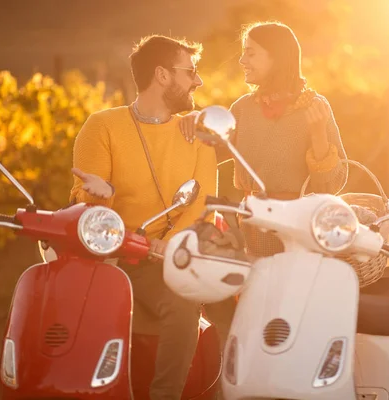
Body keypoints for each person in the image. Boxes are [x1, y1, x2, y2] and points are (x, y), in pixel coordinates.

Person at [69, 35, 217, 400]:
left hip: (165, 261)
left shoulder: (199, 136)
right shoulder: (102, 126)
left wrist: (165, 246)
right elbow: (83, 203)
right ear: (162, 75)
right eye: (190, 71)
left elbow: (201, 209)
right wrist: (98, 197)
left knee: (184, 299)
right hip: (111, 259)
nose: (197, 81)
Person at [180, 21, 348, 257]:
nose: (242, 61)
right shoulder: (243, 109)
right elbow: (210, 153)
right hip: (253, 228)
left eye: (251, 53)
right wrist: (198, 121)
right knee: (256, 288)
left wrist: (319, 132)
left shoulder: (314, 106)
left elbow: (330, 185)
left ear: (276, 58)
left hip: (299, 229)